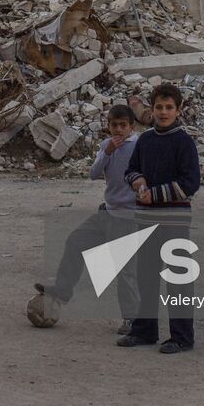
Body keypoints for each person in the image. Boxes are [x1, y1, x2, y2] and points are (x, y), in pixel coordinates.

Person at [33, 104, 140, 331]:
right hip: (107, 212)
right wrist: (107, 152)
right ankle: (62, 290)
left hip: (127, 217)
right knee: (76, 241)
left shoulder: (139, 146)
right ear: (108, 125)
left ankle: (132, 318)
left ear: (132, 127)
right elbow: (93, 174)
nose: (118, 130)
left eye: (123, 125)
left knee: (124, 269)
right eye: (114, 125)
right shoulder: (106, 146)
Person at [119, 83, 201, 354]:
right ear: (151, 110)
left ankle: (182, 337)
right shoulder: (145, 140)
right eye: (159, 107)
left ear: (178, 110)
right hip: (145, 220)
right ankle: (144, 331)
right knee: (146, 276)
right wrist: (137, 181)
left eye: (169, 108)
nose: (163, 112)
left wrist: (153, 195)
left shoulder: (184, 142)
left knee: (178, 279)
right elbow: (131, 170)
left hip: (174, 221)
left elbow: (190, 183)